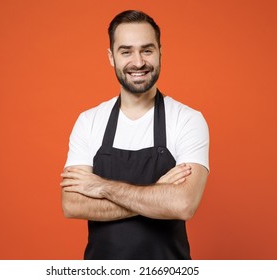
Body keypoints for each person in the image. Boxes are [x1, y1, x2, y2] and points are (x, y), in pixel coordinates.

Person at [60, 10, 209, 260]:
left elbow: (183, 204)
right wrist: (157, 193)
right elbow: (72, 204)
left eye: (147, 50)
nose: (138, 62)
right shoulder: (89, 121)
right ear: (111, 57)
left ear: (160, 51)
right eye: (126, 51)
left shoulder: (187, 119)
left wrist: (101, 186)